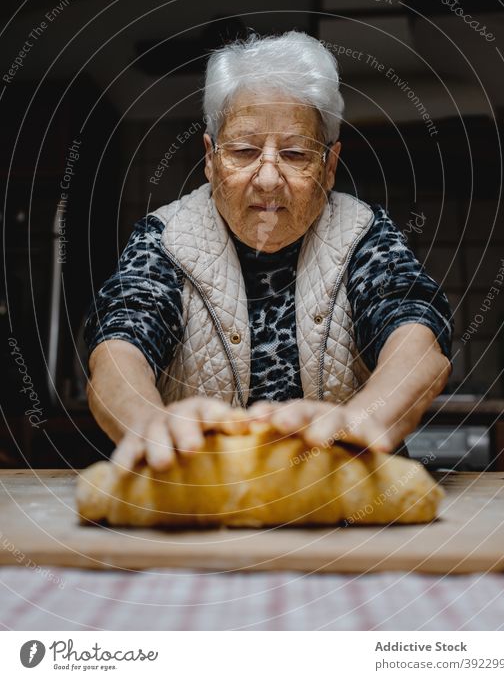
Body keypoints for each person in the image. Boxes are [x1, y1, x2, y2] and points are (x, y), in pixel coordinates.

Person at [84, 30, 453, 473]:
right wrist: (148, 425)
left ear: (329, 165)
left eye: (296, 154)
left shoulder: (364, 235)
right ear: (209, 156)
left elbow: (415, 336)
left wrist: (360, 424)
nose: (267, 179)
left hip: (345, 510)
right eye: (243, 151)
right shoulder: (164, 240)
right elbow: (119, 347)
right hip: (199, 504)